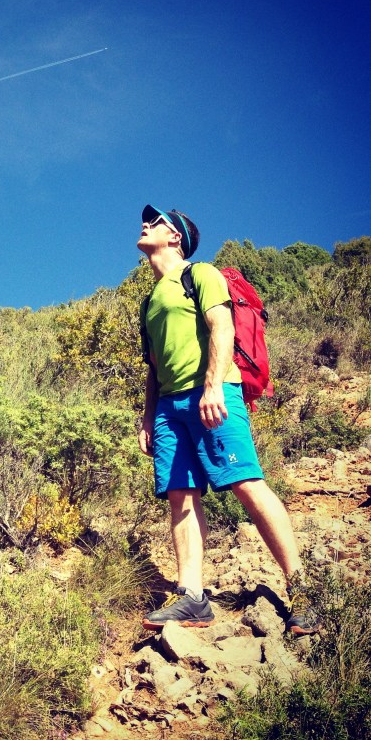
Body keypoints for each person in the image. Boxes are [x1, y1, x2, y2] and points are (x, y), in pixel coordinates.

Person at [136, 204, 319, 634]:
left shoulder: (199, 274)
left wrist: (214, 385)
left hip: (212, 394)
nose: (145, 224)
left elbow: (222, 327)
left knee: (245, 482)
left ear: (175, 237)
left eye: (156, 221)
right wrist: (147, 418)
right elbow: (152, 366)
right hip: (168, 408)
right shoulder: (149, 301)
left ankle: (304, 587)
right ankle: (193, 599)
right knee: (180, 495)